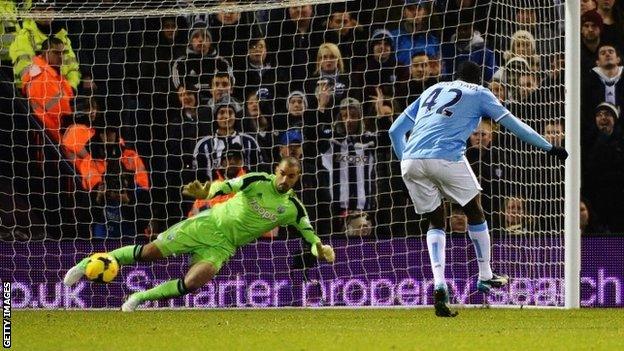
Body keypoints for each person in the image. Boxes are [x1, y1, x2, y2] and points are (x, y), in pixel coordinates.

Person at [388, 61, 568, 317]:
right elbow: (515, 126)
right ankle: (485, 274)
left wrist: (407, 165)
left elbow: (395, 131)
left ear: (455, 76)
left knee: (436, 221)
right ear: (479, 80)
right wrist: (549, 147)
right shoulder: (479, 93)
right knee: (474, 208)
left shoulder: (433, 89)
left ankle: (439, 285)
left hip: (410, 160)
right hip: (447, 156)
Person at [63, 157, 335, 311]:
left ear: (297, 179)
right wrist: (207, 192)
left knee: (192, 283)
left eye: (291, 177)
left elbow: (310, 237)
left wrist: (320, 249)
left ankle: (138, 298)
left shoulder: (293, 208)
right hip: (205, 225)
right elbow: (226, 185)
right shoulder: (257, 180)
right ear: (276, 170)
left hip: (223, 246)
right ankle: (85, 265)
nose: (285, 180)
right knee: (148, 253)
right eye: (283, 174)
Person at [21, 37, 74, 143]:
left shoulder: (51, 73)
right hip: (47, 135)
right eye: (56, 53)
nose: (61, 57)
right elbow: (58, 109)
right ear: (45, 53)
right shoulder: (41, 76)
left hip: (52, 132)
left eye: (62, 53)